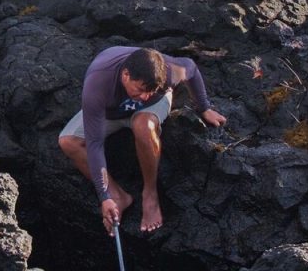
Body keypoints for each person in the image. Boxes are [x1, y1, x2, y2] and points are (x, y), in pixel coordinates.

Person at [58, 47, 226, 234]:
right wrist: (104, 196)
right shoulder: (98, 84)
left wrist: (204, 108)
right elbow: (94, 145)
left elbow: (191, 67)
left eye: (151, 90)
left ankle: (150, 195)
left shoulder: (167, 70)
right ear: (125, 75)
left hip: (152, 107)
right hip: (110, 112)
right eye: (140, 89)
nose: (144, 96)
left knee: (143, 126)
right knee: (68, 141)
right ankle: (117, 196)